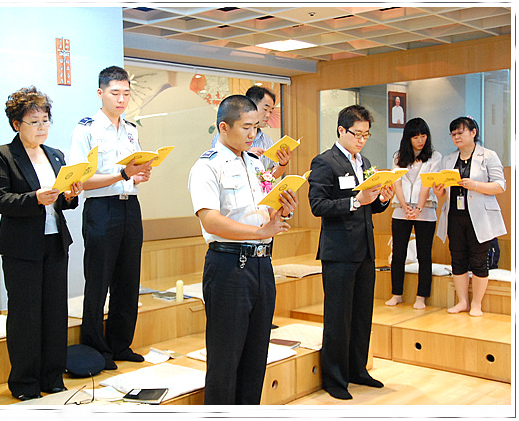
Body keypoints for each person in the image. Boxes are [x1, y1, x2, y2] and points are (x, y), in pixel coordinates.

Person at [188, 95, 298, 405]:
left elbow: (265, 208)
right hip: (229, 265)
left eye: (256, 127)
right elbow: (211, 220)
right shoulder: (207, 166)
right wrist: (260, 232)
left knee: (256, 354)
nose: (253, 134)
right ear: (224, 127)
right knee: (225, 357)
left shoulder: (256, 163)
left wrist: (283, 210)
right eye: (246, 127)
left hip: (262, 264)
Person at [0, 86, 82, 400]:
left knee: (55, 312)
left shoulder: (55, 155)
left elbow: (62, 202)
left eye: (45, 121)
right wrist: (35, 199)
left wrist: (70, 196)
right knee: (25, 316)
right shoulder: (2, 155)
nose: (41, 127)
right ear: (17, 124)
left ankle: (52, 377)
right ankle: (25, 383)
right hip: (21, 247)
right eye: (34, 122)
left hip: (55, 243)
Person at [69, 66, 153, 370]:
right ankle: (96, 349)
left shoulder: (131, 129)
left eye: (126, 94)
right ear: (100, 93)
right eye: (115, 93)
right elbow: (80, 180)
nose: (121, 100)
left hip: (130, 206)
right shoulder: (87, 129)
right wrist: (122, 174)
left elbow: (133, 171)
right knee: (98, 280)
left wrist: (140, 174)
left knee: (128, 280)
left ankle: (120, 344)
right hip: (101, 209)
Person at [308, 104, 393, 400]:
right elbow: (317, 205)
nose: (361, 140)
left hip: (365, 248)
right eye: (357, 134)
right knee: (338, 317)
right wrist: (356, 201)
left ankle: (358, 370)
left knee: (361, 314)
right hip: (339, 251)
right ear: (341, 130)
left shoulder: (364, 161)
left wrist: (382, 199)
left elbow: (369, 206)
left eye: (366, 134)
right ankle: (334, 378)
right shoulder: (325, 161)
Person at [433, 116, 506, 317]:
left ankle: (476, 304)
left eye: (460, 132)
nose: (456, 137)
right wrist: (439, 191)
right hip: (455, 216)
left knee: (479, 260)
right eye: (453, 134)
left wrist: (475, 185)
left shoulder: (488, 156)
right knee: (457, 259)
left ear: (473, 133)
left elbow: (500, 186)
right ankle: (462, 301)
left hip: (480, 217)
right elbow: (443, 190)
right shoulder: (448, 159)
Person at [386, 118, 441, 310]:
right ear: (408, 138)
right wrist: (404, 206)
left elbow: (427, 183)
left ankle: (421, 297)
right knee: (398, 253)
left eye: (423, 136)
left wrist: (417, 208)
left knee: (424, 255)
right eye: (416, 137)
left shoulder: (434, 156)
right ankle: (396, 294)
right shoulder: (398, 156)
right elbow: (397, 183)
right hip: (401, 210)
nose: (420, 140)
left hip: (425, 210)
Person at [211, 86, 292, 177]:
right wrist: (245, 155)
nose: (268, 115)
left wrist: (282, 164)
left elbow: (268, 177)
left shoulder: (267, 140)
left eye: (271, 111)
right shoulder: (225, 137)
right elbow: (220, 168)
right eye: (265, 109)